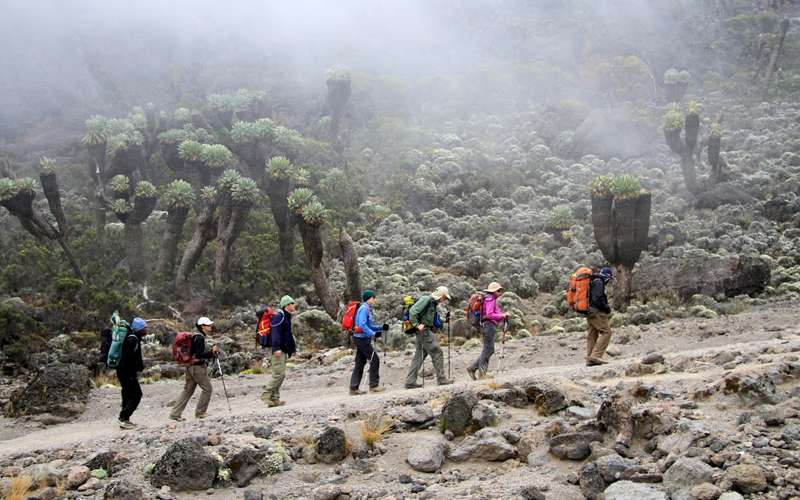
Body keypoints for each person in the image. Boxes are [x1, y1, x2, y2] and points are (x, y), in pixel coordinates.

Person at [169, 317, 219, 421]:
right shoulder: (200, 337)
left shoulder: (195, 336)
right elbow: (199, 355)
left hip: (189, 367)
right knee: (207, 389)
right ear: (203, 327)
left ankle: (175, 414)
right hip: (197, 368)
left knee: (187, 391)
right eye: (208, 325)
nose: (210, 327)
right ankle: (200, 412)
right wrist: (212, 352)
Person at [404, 286, 454, 388]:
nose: (444, 300)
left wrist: (445, 320)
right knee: (437, 351)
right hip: (424, 331)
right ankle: (441, 379)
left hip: (423, 330)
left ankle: (410, 381)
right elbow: (413, 311)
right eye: (444, 298)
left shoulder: (432, 303)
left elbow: (433, 318)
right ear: (441, 296)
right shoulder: (426, 300)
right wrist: (416, 324)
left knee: (419, 355)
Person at [349, 290, 389, 395]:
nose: (375, 299)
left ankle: (354, 388)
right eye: (373, 297)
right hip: (361, 339)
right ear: (369, 298)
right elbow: (362, 325)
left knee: (360, 362)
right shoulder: (364, 308)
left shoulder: (367, 309)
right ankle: (374, 386)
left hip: (361, 338)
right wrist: (373, 334)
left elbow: (369, 326)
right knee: (374, 359)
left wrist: (381, 328)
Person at [466, 282, 508, 380]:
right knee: (488, 349)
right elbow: (489, 314)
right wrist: (502, 315)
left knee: (488, 349)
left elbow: (496, 313)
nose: (500, 292)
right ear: (493, 291)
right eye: (498, 291)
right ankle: (482, 373)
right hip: (488, 326)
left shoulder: (490, 299)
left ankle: (472, 368)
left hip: (487, 326)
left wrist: (503, 315)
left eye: (501, 290)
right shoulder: (490, 299)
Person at [262, 295, 297, 407]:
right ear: (287, 305)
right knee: (279, 374)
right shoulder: (280, 317)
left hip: (283, 350)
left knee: (279, 374)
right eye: (292, 303)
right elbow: (275, 333)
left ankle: (274, 399)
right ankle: (266, 394)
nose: (294, 305)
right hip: (277, 350)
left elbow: (288, 335)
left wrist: (293, 349)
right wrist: (276, 348)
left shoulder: (286, 317)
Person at [117, 317, 146, 430]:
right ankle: (123, 417)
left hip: (123, 371)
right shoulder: (133, 340)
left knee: (127, 394)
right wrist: (134, 371)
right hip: (127, 372)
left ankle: (125, 420)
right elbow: (129, 358)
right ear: (139, 329)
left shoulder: (132, 338)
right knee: (136, 395)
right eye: (144, 328)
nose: (146, 330)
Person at [586, 267, 614, 366]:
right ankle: (596, 356)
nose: (608, 282)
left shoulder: (593, 281)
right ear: (607, 277)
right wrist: (606, 307)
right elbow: (597, 298)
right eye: (609, 279)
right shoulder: (599, 282)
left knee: (592, 334)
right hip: (596, 311)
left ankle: (590, 359)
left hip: (588, 310)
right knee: (607, 332)